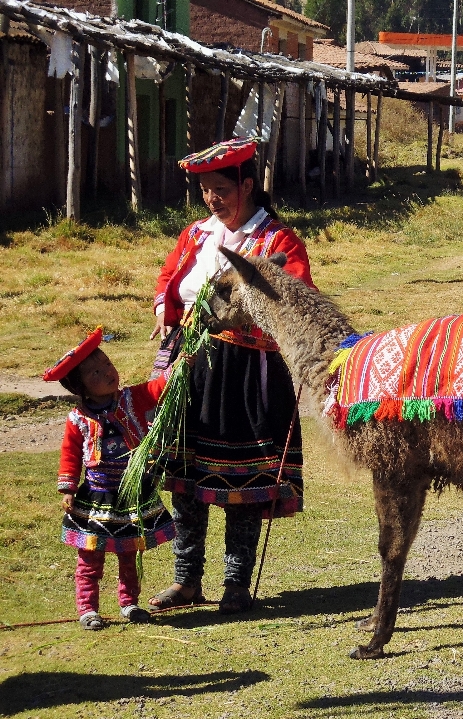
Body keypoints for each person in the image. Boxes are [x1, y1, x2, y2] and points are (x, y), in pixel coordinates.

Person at [148, 137, 316, 615]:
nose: (212, 200)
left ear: (247, 185)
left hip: (248, 374)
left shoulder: (278, 242)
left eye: (221, 189)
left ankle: (236, 586)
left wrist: (244, 316)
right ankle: (186, 582)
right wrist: (166, 307)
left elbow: (294, 296)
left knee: (241, 481)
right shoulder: (197, 236)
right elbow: (169, 282)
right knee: (185, 477)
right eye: (205, 191)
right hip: (190, 366)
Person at [44, 327, 177, 630]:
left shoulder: (132, 398)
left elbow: (159, 387)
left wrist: (180, 367)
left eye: (107, 364)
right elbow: (70, 454)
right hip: (97, 496)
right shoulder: (78, 419)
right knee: (91, 555)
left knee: (129, 552)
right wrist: (67, 489)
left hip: (131, 494)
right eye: (95, 373)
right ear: (82, 389)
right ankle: (87, 608)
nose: (107, 373)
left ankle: (129, 603)